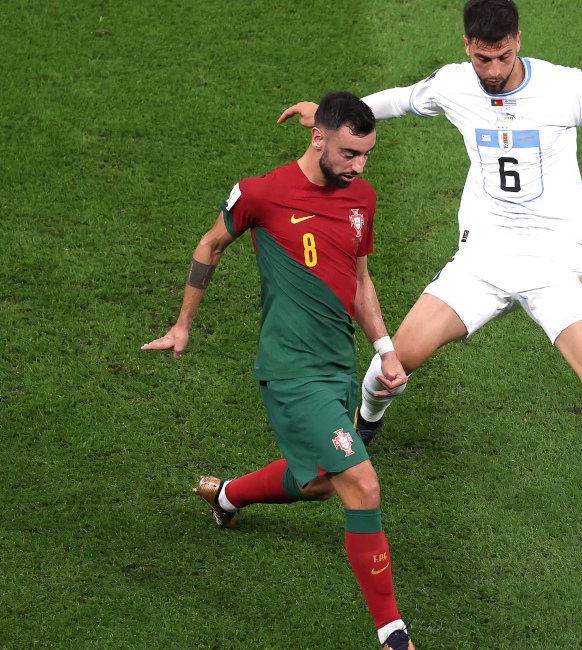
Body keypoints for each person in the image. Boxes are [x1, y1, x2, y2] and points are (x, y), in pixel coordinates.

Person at [279, 0, 582, 542]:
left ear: (519, 41)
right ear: (467, 49)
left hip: (554, 259)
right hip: (481, 260)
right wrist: (334, 115)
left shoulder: (564, 86)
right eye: (482, 59)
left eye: (501, 57)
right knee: (396, 360)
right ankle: (366, 423)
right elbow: (401, 101)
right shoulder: (455, 85)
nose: (493, 71)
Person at [142, 92, 415, 650]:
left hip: (338, 365)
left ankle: (226, 496)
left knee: (317, 482)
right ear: (319, 139)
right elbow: (211, 244)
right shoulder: (262, 193)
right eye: (348, 153)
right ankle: (393, 635)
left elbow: (360, 281)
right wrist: (182, 324)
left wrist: (385, 348)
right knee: (362, 484)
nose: (358, 166)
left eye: (366, 155)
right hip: (290, 371)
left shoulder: (361, 198)